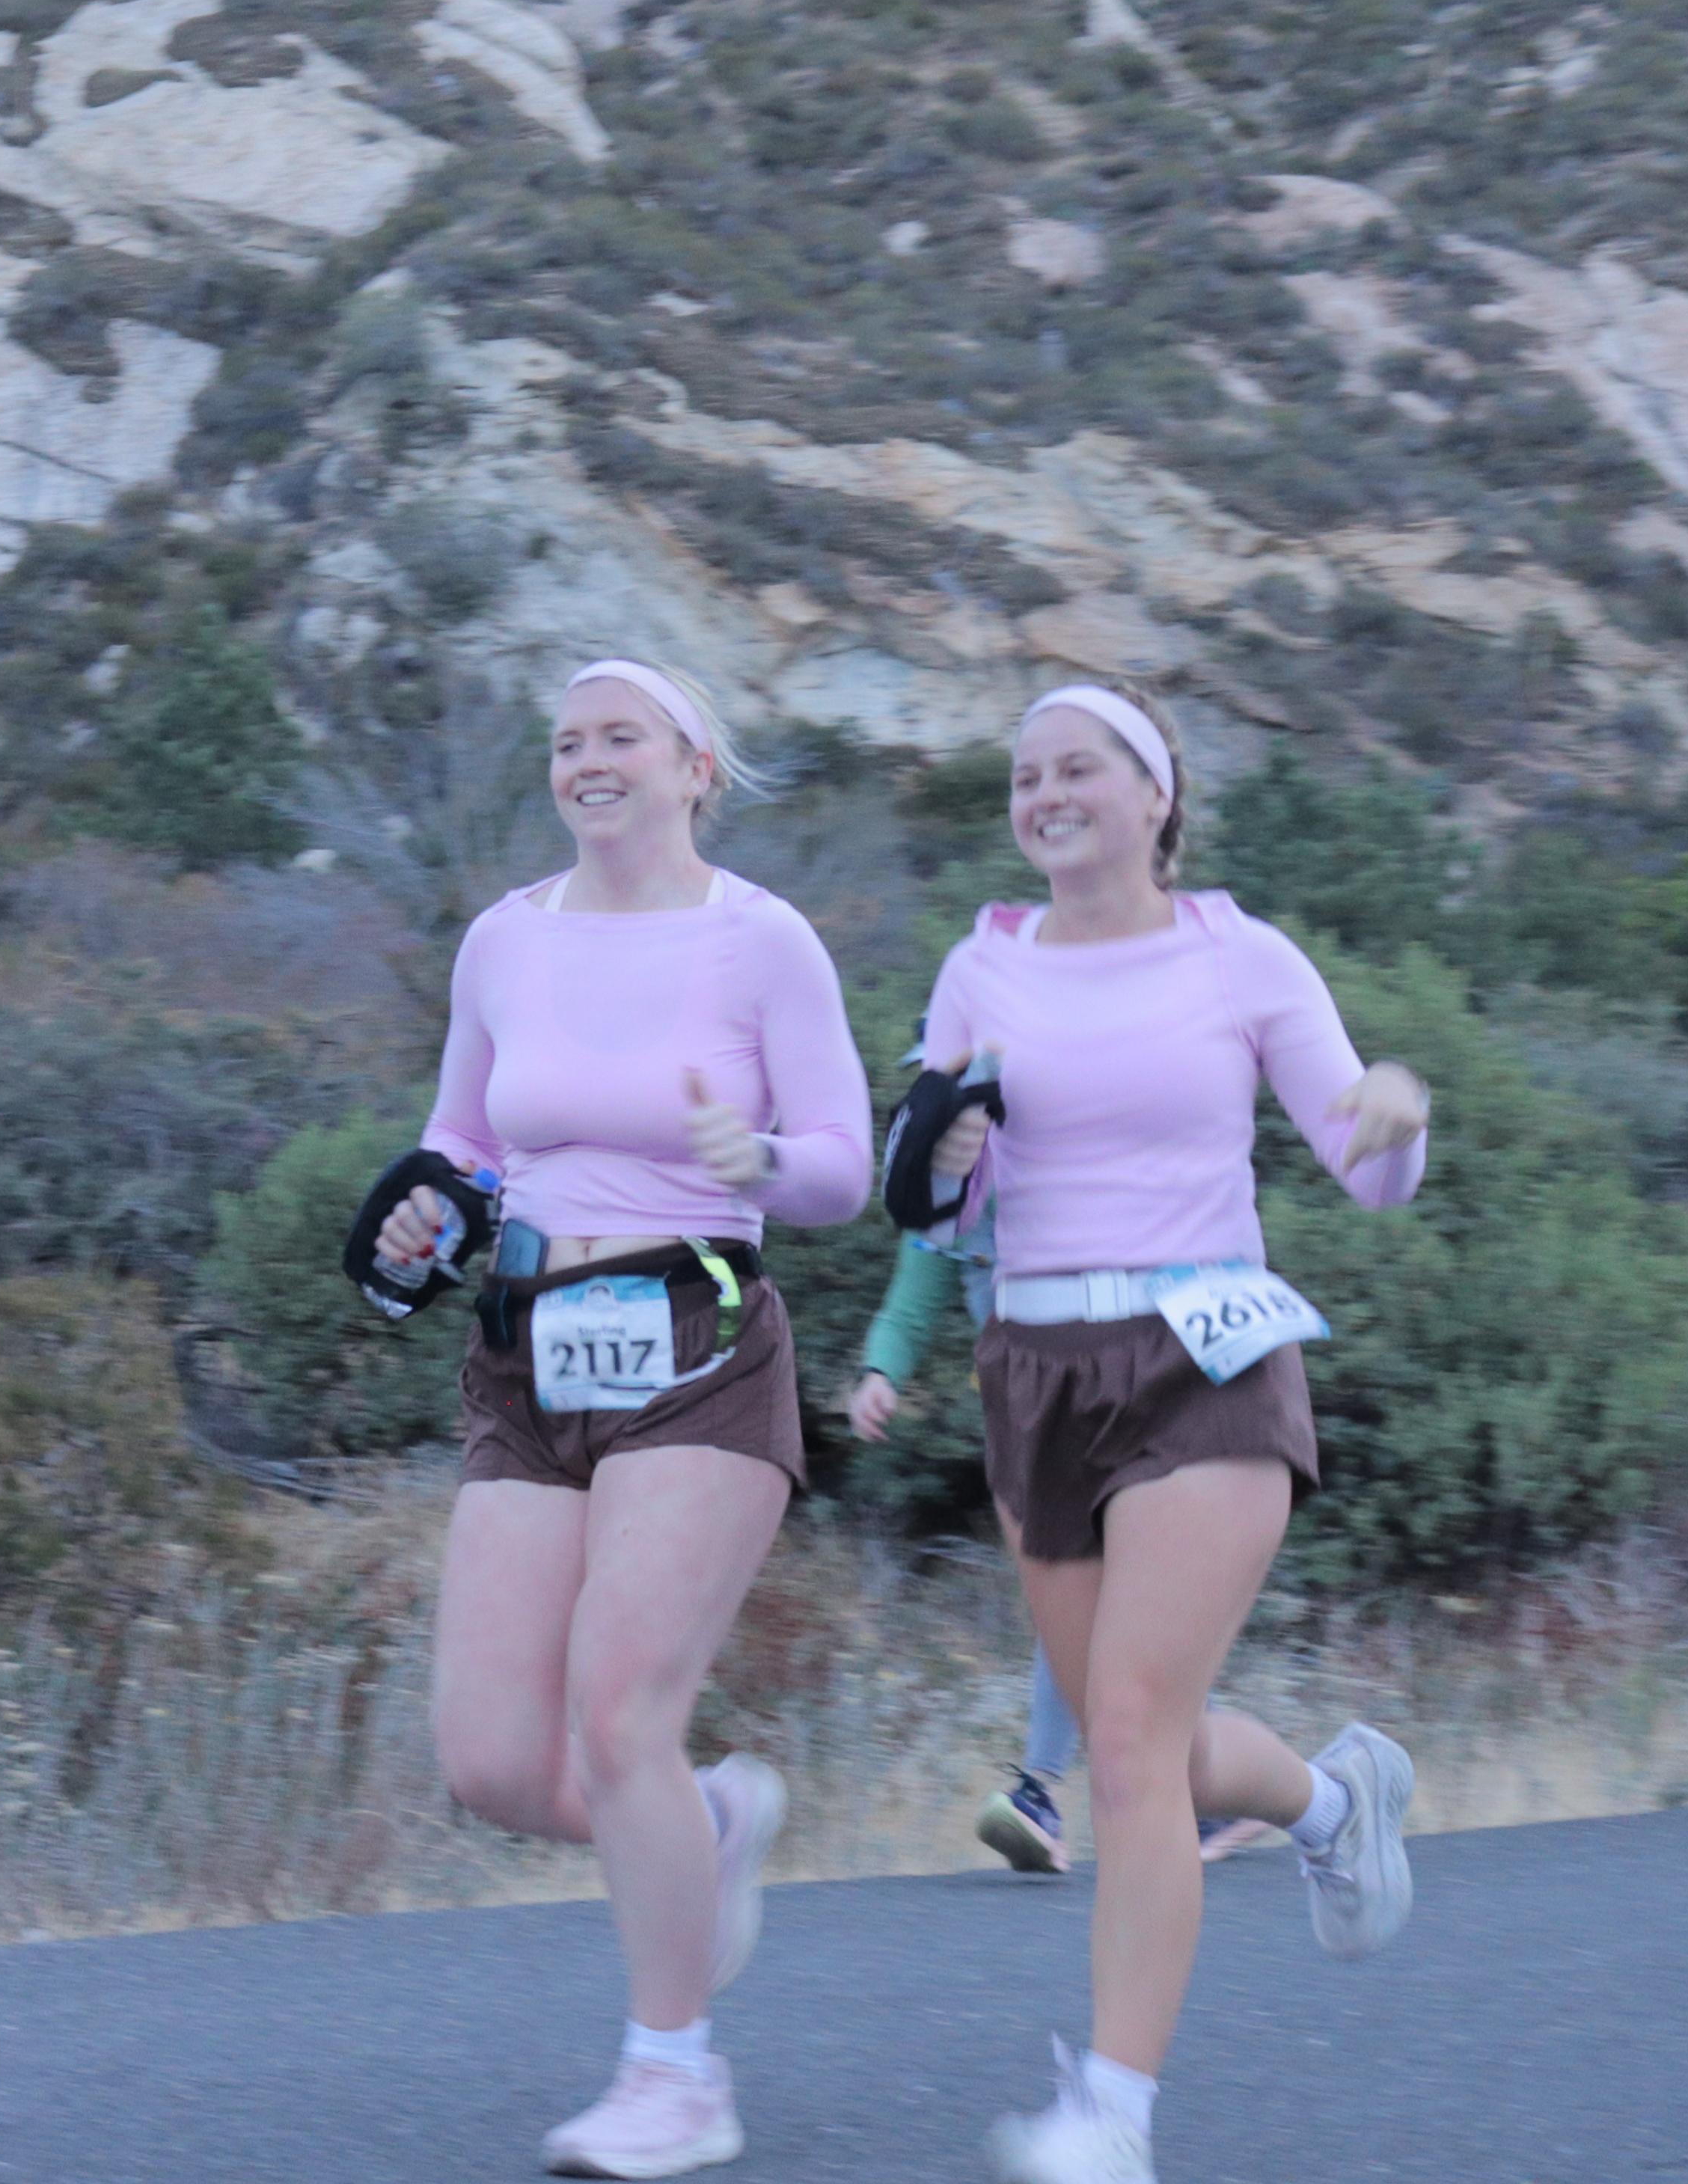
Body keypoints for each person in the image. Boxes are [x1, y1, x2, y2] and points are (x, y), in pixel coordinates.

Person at [911, 682, 1432, 2184]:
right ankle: (1332, 1799)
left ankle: (1112, 2116)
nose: (1046, 793)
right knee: (1148, 1751)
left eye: (1078, 766)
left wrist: (1395, 1117)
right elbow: (936, 1204)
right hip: (1035, 1366)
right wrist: (943, 1156)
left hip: (1207, 1354)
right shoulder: (982, 966)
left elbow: (1361, 1160)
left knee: (1131, 1738)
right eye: (1025, 775)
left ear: (1157, 795)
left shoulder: (1240, 955)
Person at [373, 658, 872, 2179]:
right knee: (491, 1761)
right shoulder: (504, 938)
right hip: (524, 1348)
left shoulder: (761, 939)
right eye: (568, 741)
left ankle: (676, 2073)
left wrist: (760, 1157)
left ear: (695, 766)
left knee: (618, 1716)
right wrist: (427, 1205)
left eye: (622, 737)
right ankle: (704, 1823)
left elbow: (845, 1165)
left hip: (696, 1336)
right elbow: (464, 1132)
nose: (588, 761)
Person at [848, 1245, 1285, 1875]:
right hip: (1035, 1409)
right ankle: (1238, 1794)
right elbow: (911, 1302)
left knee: (1107, 1594)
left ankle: (1049, 1791)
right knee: (1085, 1597)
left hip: (1135, 1386)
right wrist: (880, 1374)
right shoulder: (950, 1203)